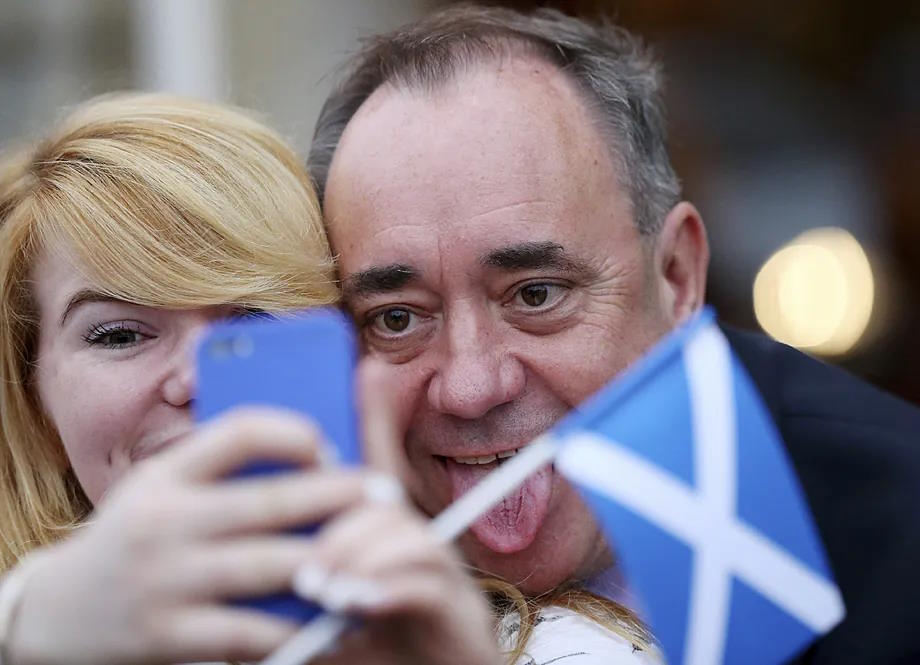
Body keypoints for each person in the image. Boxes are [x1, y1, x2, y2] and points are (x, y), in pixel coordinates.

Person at [308, 4, 920, 664]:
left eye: (535, 295)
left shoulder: (902, 535)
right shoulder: (309, 583)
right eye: (397, 318)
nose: (470, 386)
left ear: (678, 276)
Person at [0, 93, 501, 665]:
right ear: (36, 403)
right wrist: (31, 624)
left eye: (255, 324)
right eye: (119, 335)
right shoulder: (27, 631)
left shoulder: (490, 639)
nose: (195, 381)